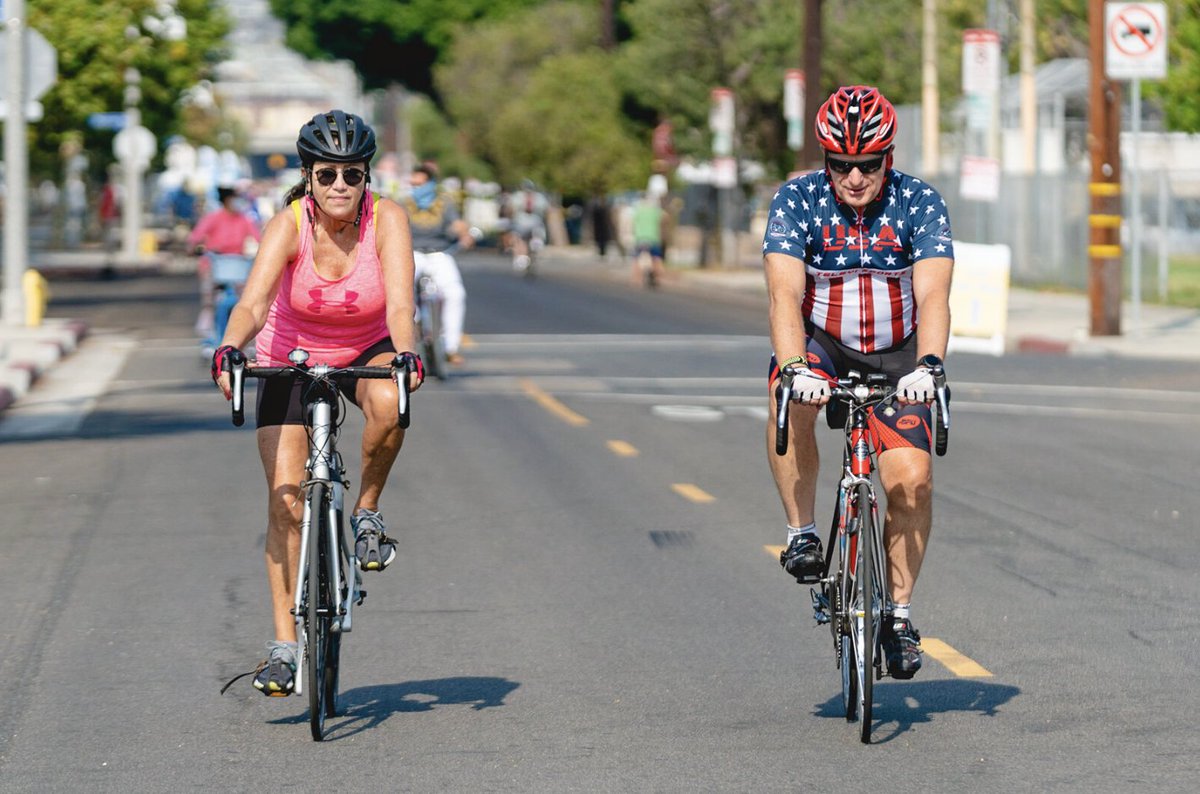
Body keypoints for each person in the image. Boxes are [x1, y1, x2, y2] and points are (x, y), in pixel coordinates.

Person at [211, 110, 425, 696]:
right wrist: (230, 347)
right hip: (289, 356)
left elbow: (402, 306)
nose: (339, 187)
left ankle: (367, 512)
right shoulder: (288, 225)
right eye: (327, 174)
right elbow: (252, 304)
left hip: (367, 345)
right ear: (308, 177)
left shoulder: (388, 221)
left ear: (366, 178)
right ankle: (283, 648)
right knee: (285, 506)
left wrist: (407, 354)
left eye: (351, 175)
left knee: (389, 402)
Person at [763, 86, 953, 680]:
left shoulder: (919, 203)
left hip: (898, 352)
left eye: (866, 165)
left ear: (887, 159)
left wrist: (929, 366)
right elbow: (784, 296)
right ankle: (801, 531)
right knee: (787, 393)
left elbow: (934, 295)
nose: (852, 177)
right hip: (822, 342)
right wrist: (796, 367)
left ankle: (897, 615)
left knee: (912, 482)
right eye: (840, 164)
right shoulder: (797, 200)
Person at [402, 165, 472, 365]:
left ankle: (451, 348)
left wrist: (465, 235)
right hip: (412, 253)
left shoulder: (444, 203)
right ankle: (410, 332)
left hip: (439, 253)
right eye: (413, 184)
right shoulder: (404, 204)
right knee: (403, 290)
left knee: (455, 293)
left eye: (420, 184)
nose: (416, 188)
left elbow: (457, 224)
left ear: (431, 184)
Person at [188, 186, 261, 349]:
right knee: (210, 302)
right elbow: (195, 237)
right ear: (226, 200)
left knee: (247, 302)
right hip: (215, 266)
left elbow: (258, 238)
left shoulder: (244, 219)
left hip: (238, 266)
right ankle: (210, 336)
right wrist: (195, 248)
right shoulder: (213, 218)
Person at [630, 191, 667, 288]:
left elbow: (632, 221)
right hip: (654, 238)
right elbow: (665, 218)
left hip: (640, 238)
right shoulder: (655, 210)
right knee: (657, 259)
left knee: (637, 259)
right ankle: (659, 279)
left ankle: (637, 279)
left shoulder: (638, 209)